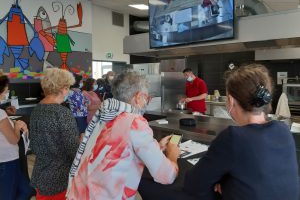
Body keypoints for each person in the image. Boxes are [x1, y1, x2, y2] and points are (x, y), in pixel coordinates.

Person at [183, 64, 299, 200]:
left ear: (231, 101)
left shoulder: (233, 137)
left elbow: (193, 184)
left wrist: (225, 185)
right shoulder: (283, 130)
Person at [67, 72, 180, 200]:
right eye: (147, 98)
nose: (147, 102)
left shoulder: (106, 114)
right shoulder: (134, 121)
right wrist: (172, 155)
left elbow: (120, 150)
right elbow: (166, 176)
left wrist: (156, 147)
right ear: (138, 97)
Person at [29, 68, 80, 200]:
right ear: (62, 88)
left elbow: (34, 143)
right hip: (60, 177)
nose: (68, 91)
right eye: (68, 87)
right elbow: (73, 149)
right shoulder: (62, 113)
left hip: (40, 173)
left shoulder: (37, 109)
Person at [0, 74, 32, 200]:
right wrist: (17, 126)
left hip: (7, 159)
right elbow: (13, 139)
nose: (7, 91)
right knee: (9, 194)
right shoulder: (0, 114)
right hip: (7, 161)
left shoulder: (2, 112)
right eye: (6, 88)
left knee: (26, 189)